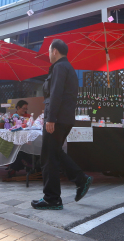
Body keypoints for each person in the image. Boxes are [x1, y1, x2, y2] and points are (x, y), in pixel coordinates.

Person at [31, 39, 92, 210]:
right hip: (64, 118)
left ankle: (52, 198)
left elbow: (56, 93)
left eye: (49, 51)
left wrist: (50, 118)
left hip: (56, 119)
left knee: (48, 157)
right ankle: (80, 180)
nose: (48, 55)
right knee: (54, 153)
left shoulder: (59, 67)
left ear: (55, 51)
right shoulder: (68, 68)